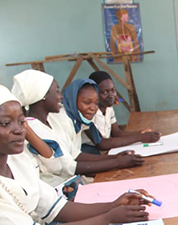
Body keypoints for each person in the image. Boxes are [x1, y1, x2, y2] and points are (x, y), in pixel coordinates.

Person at [0, 83, 151, 225]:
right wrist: (108, 219)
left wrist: (114, 205)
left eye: (21, 122)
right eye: (5, 123)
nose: (19, 130)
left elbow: (58, 208)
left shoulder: (18, 160)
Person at [11, 70, 144, 188]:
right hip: (57, 191)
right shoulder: (34, 128)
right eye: (56, 91)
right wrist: (117, 162)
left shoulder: (51, 121)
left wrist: (114, 158)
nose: (60, 96)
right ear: (42, 96)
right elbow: (68, 166)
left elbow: (74, 154)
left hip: (70, 183)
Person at [82, 71, 160, 153]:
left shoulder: (109, 108)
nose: (111, 95)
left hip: (103, 147)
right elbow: (101, 143)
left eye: (113, 90)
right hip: (87, 148)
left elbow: (116, 133)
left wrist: (142, 132)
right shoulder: (88, 112)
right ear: (93, 93)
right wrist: (140, 137)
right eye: (104, 92)